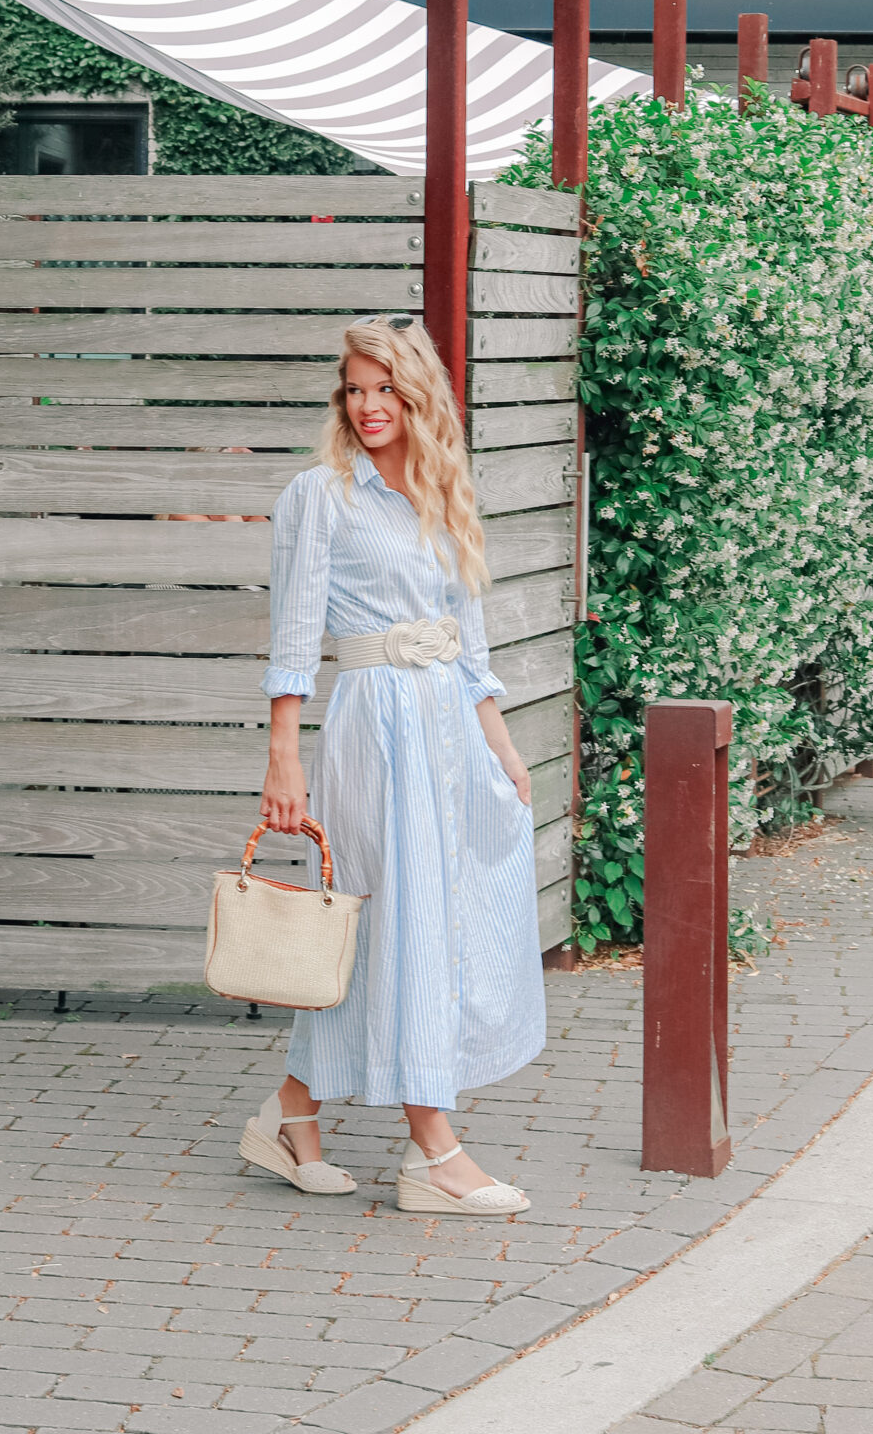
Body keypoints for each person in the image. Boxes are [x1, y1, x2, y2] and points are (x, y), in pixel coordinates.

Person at [238, 315, 543, 1215]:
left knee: (415, 924)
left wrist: (502, 740)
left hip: (449, 719)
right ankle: (431, 1151)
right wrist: (282, 759)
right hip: (375, 727)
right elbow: (294, 636)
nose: (367, 406)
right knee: (395, 918)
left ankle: (290, 1114)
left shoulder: (446, 488)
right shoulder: (319, 495)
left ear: (417, 396)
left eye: (383, 389)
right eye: (353, 389)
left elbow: (467, 635)